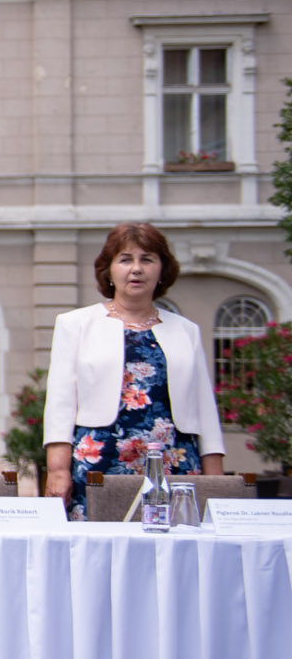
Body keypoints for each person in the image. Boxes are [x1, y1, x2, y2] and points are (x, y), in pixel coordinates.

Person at [42, 222, 225, 519]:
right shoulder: (75, 324)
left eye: (147, 259)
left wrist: (215, 481)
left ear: (162, 270)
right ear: (109, 270)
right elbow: (61, 404)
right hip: (100, 459)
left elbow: (205, 408)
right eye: (126, 259)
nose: (136, 269)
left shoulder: (186, 330)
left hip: (175, 460)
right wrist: (57, 470)